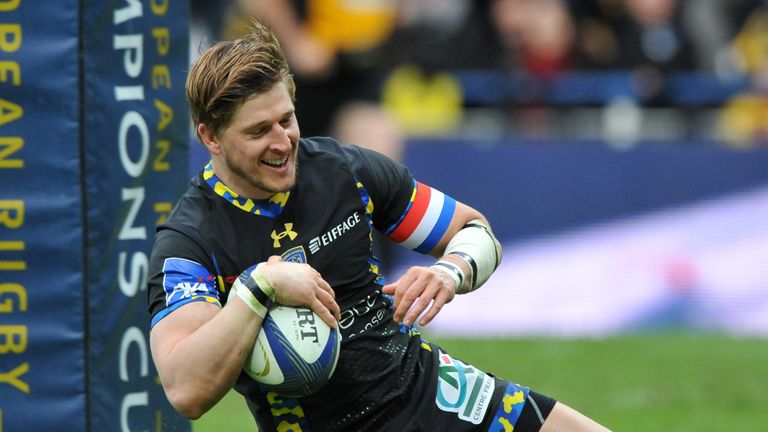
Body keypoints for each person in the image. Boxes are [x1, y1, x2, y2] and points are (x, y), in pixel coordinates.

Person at [147, 20, 611, 432]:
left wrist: (448, 272)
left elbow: (477, 234)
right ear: (210, 137)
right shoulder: (190, 243)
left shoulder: (344, 171)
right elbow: (187, 391)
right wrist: (257, 287)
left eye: (286, 120)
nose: (282, 142)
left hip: (432, 392)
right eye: (257, 131)